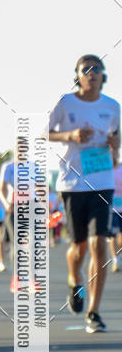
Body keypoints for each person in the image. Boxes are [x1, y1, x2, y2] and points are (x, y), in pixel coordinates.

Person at [49, 55, 120, 333]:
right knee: (78, 249)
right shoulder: (66, 103)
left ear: (104, 76)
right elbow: (44, 133)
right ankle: (74, 278)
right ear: (77, 75)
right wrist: (70, 136)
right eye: (85, 70)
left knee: (98, 245)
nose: (91, 74)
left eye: (96, 70)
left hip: (102, 181)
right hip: (72, 184)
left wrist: (115, 144)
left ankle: (93, 311)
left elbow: (117, 142)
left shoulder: (113, 106)